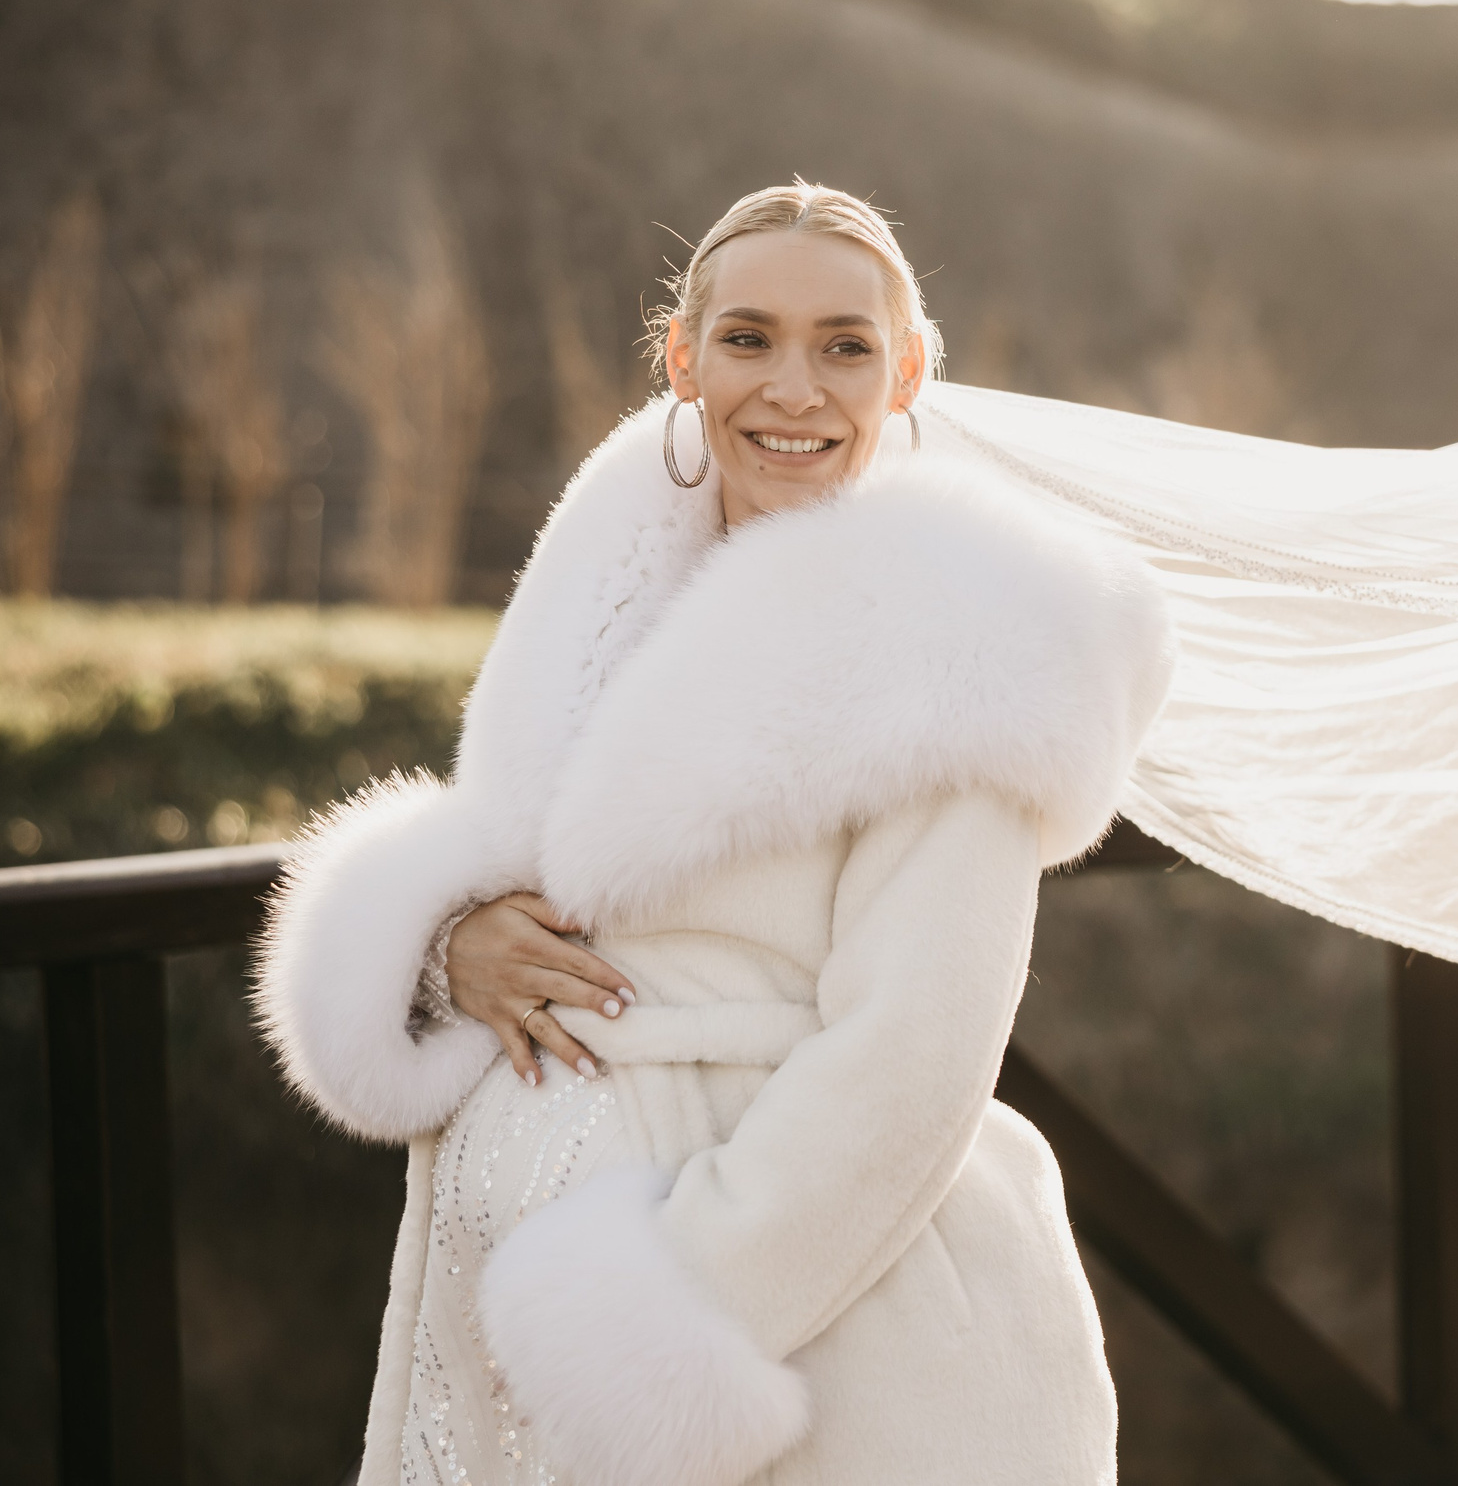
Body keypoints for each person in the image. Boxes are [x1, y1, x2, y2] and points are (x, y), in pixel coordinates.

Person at [256, 183, 1173, 1485]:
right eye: (749, 339)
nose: (793, 387)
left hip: (791, 1336)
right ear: (682, 357)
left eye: (844, 347)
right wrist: (440, 941)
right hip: (504, 1300)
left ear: (906, 374)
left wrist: (650, 1329)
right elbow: (517, 856)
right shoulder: (602, 575)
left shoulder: (959, 648)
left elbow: (914, 1058)